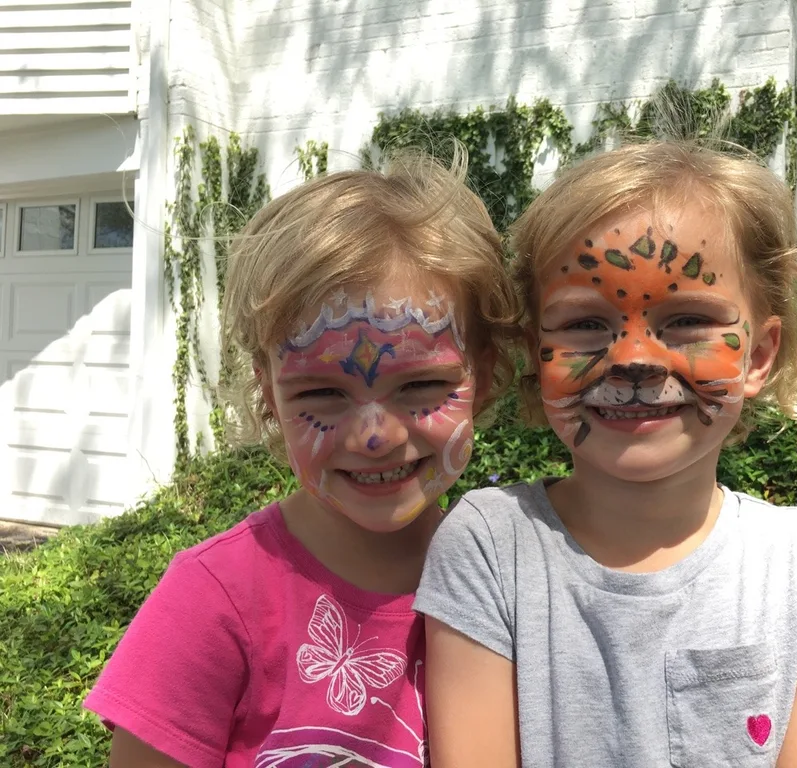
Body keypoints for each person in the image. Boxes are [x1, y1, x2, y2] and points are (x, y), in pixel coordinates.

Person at [414, 141, 797, 767]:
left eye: (688, 319)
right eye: (585, 324)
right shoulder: (489, 548)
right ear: (536, 351)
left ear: (759, 355)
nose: (635, 359)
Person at [84, 148, 518, 767]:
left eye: (420, 386)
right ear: (269, 394)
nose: (376, 436)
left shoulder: (509, 582)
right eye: (322, 393)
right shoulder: (215, 599)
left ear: (488, 374)